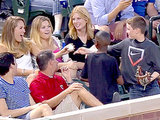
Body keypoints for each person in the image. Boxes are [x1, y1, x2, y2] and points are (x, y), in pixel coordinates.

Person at [29, 50, 103, 114]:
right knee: (77, 89)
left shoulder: (59, 78)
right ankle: (105, 110)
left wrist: (69, 79)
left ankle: (105, 110)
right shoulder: (36, 83)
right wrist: (67, 91)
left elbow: (71, 96)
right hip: (52, 114)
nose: (57, 62)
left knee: (77, 88)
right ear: (51, 63)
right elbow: (46, 105)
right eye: (55, 60)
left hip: (66, 110)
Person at [107, 16, 160, 99]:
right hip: (134, 89)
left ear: (137, 31)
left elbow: (158, 69)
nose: (126, 32)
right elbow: (108, 49)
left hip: (152, 88)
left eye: (128, 29)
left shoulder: (152, 47)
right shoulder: (126, 43)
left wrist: (148, 79)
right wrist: (89, 50)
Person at [0, 16, 68, 76]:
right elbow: (8, 69)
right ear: (11, 30)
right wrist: (32, 72)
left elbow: (43, 57)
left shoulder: (27, 43)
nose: (24, 31)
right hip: (16, 80)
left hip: (32, 77)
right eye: (21, 28)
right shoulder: (2, 47)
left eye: (24, 28)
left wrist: (61, 55)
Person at [0, 52, 53, 119]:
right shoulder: (1, 85)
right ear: (11, 65)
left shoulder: (21, 80)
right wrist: (30, 108)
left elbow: (32, 103)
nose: (17, 65)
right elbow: (5, 113)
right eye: (15, 62)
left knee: (44, 107)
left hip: (30, 114)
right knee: (44, 108)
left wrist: (35, 107)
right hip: (15, 118)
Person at [81, 31, 124, 104]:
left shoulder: (89, 57)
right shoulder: (111, 60)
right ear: (109, 42)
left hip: (94, 99)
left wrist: (95, 80)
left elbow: (83, 77)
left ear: (96, 43)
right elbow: (120, 81)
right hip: (110, 98)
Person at [65, 5, 95, 70]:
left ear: (86, 19)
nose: (75, 22)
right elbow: (71, 61)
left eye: (78, 18)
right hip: (79, 71)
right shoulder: (69, 37)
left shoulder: (96, 34)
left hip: (96, 68)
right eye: (73, 19)